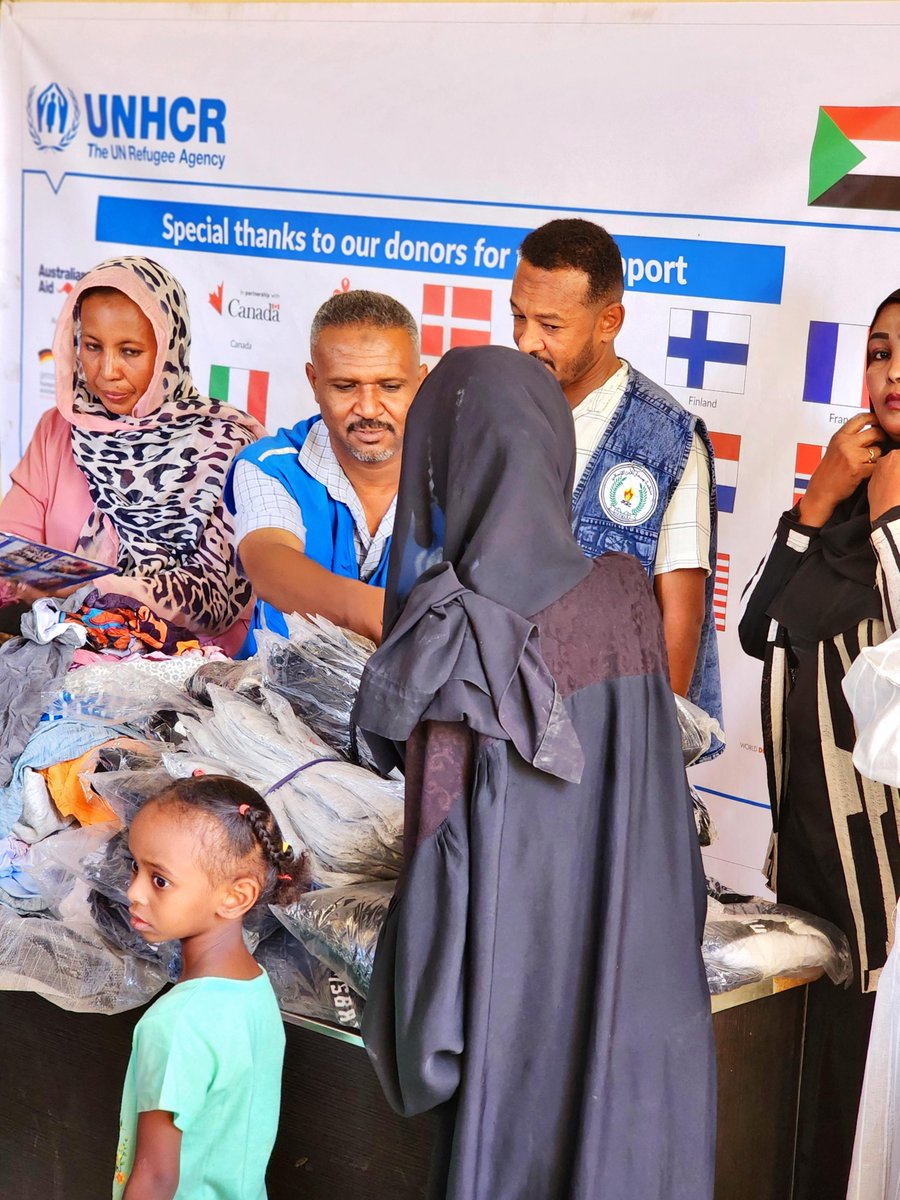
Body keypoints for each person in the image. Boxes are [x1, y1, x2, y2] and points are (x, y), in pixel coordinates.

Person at [353, 345, 716, 1199]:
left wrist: (423, 1045)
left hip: (522, 1059)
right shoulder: (627, 596)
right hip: (652, 1025)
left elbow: (442, 915)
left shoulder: (454, 637)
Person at [739, 289, 900, 1200]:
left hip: (891, 878)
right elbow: (761, 625)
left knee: (869, 1101)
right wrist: (824, 497)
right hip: (813, 857)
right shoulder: (846, 493)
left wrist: (888, 518)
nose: (893, 371)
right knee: (811, 1097)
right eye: (879, 352)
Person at [511, 218, 722, 747]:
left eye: (551, 326)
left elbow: (681, 613)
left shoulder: (667, 439)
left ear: (609, 321)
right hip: (499, 719)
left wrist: (646, 754)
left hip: (604, 733)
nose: (526, 340)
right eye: (518, 316)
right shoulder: (499, 407)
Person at [0, 256, 263, 655]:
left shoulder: (224, 444)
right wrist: (23, 583)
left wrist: (90, 590)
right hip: (57, 645)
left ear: (167, 352)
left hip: (181, 668)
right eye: (92, 346)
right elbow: (12, 546)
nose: (107, 370)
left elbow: (216, 599)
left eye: (130, 351)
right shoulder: (59, 427)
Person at [114, 774, 308, 1200]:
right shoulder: (253, 990)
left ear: (236, 897)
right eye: (135, 866)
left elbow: (155, 1177)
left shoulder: (176, 1024)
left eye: (159, 879)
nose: (133, 892)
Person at [225, 290, 426, 653]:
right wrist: (395, 620)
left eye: (390, 386)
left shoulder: (455, 475)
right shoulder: (270, 465)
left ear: (421, 382)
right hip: (272, 700)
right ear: (314, 382)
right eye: (345, 386)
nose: (368, 408)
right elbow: (268, 562)